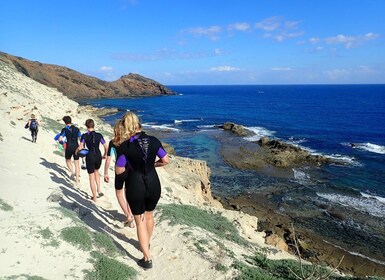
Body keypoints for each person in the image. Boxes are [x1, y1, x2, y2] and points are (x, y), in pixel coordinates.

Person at [120, 112, 169, 269]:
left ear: (126, 126)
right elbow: (165, 160)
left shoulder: (125, 146)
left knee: (139, 220)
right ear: (139, 124)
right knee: (149, 215)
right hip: (154, 183)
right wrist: (151, 165)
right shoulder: (154, 141)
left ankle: (146, 258)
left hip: (135, 184)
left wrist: (129, 167)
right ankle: (146, 242)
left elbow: (119, 170)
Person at [104, 120, 135, 228]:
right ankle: (130, 215)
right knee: (128, 193)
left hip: (120, 170)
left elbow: (108, 159)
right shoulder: (130, 141)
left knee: (119, 193)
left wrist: (105, 173)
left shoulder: (113, 142)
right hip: (131, 169)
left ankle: (128, 215)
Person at [77, 119, 107, 202]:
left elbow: (81, 147)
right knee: (97, 171)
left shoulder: (84, 136)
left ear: (86, 126)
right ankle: (99, 190)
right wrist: (104, 154)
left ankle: (94, 197)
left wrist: (76, 152)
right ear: (94, 125)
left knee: (91, 177)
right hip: (98, 155)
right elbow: (106, 146)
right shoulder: (99, 135)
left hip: (90, 155)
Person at [59, 116, 81, 183]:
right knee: (77, 163)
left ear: (65, 122)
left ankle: (72, 172)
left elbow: (60, 139)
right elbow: (80, 138)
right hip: (76, 147)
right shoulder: (77, 129)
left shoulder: (64, 129)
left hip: (69, 147)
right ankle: (77, 179)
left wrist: (62, 143)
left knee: (68, 160)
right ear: (70, 121)